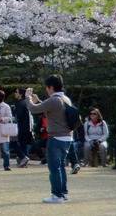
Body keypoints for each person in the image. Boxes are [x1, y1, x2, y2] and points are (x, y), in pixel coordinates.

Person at [25, 74, 73, 204]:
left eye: (47, 87)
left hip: (56, 137)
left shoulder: (54, 100)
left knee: (54, 168)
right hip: (67, 137)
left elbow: (33, 109)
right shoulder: (65, 98)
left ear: (51, 87)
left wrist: (28, 96)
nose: (47, 89)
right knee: (61, 166)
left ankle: (56, 195)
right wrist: (39, 101)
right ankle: (63, 193)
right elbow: (51, 111)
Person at [14, 88, 33, 168]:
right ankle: (24, 159)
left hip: (21, 126)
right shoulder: (25, 103)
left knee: (16, 143)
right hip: (27, 127)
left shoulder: (20, 103)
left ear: (21, 94)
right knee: (23, 144)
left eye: (16, 92)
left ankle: (23, 157)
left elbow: (19, 115)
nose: (15, 93)